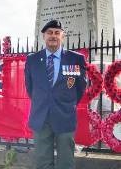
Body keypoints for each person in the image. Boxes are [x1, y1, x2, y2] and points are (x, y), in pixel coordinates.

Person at [24, 20, 87, 169]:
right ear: (44, 36)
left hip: (65, 116)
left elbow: (80, 88)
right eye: (50, 33)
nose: (53, 36)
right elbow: (30, 87)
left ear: (62, 36)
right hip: (41, 117)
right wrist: (44, 103)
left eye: (57, 33)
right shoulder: (32, 59)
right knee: (42, 161)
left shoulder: (75, 59)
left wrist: (66, 103)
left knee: (66, 161)